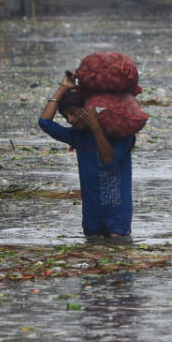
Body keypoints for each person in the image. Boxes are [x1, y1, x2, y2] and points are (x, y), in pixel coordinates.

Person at [38, 72, 135, 238]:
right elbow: (45, 122)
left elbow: (108, 159)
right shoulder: (77, 136)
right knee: (92, 255)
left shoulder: (122, 135)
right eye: (66, 116)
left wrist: (96, 127)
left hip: (117, 212)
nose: (70, 120)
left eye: (74, 112)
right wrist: (64, 87)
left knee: (119, 256)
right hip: (91, 214)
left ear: (89, 110)